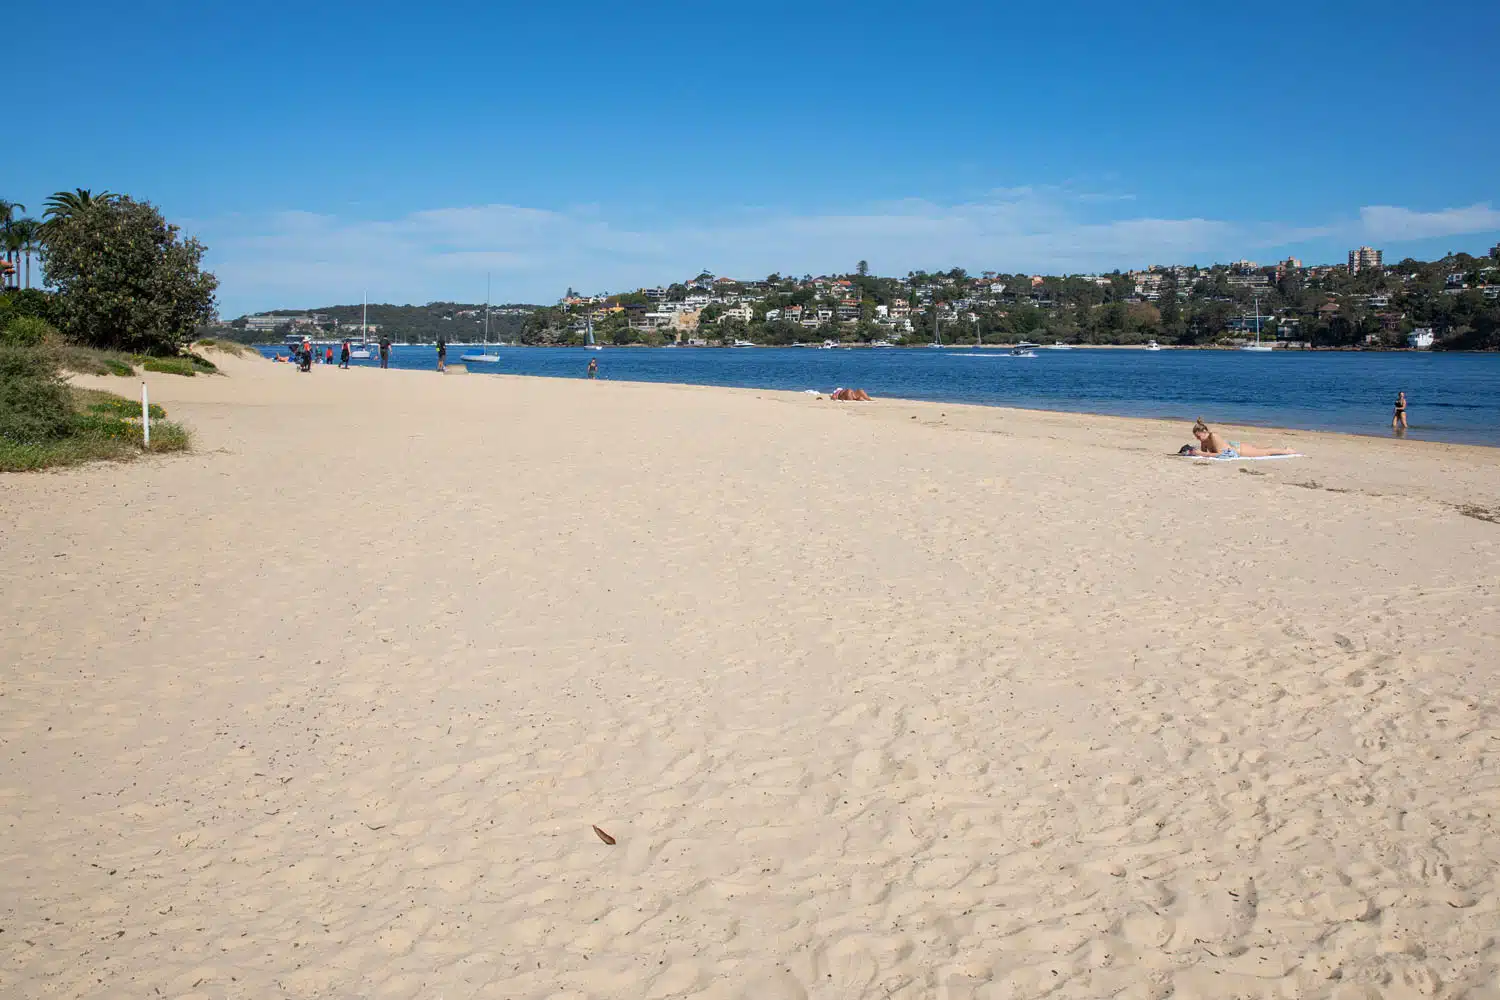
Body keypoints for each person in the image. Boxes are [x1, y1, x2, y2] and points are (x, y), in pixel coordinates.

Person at [1182, 418, 1295, 458]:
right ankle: (1284, 450)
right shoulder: (1204, 441)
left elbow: (1221, 454)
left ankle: (1288, 451)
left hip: (1239, 451)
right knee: (1262, 449)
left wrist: (1202, 454)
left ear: (1204, 432)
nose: (1197, 438)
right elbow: (1204, 452)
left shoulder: (1213, 436)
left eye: (1198, 436)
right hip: (1234, 446)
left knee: (1266, 452)